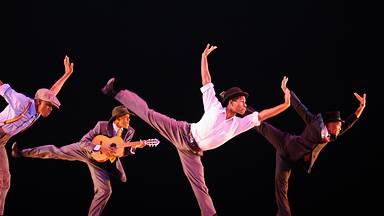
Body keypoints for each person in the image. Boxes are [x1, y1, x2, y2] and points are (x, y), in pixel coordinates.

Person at [100, 44, 291, 216]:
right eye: (241, 101)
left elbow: (263, 115)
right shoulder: (214, 106)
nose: (245, 104)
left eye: (245, 102)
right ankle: (115, 93)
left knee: (200, 187)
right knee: (149, 114)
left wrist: (286, 103)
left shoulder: (240, 124)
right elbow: (206, 80)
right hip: (182, 131)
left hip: (192, 153)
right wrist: (203, 57)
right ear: (231, 102)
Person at [12, 105, 154, 216]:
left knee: (105, 191)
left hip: (100, 162)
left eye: (129, 118)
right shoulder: (101, 126)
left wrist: (135, 147)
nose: (129, 121)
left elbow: (121, 151)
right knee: (56, 151)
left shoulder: (130, 132)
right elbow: (84, 141)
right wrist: (99, 147)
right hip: (85, 151)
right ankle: (21, 153)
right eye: (127, 118)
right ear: (117, 119)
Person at [251, 88, 366, 216]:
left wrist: (361, 107)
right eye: (338, 126)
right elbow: (300, 107)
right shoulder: (315, 122)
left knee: (282, 187)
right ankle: (242, 110)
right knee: (262, 126)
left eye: (340, 127)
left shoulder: (333, 135)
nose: (340, 129)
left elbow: (348, 124)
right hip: (285, 143)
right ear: (330, 124)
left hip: (290, 160)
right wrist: (287, 91)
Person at [0, 55, 74, 216]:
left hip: (1, 142)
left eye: (52, 107)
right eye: (49, 106)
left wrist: (66, 74)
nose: (51, 109)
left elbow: (52, 92)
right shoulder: (21, 102)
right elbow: (2, 87)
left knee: (5, 182)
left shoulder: (37, 112)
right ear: (39, 101)